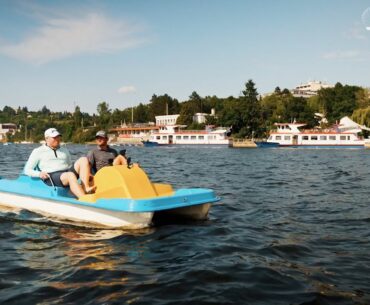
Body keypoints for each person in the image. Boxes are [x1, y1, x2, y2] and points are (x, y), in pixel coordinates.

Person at [24, 128, 95, 198]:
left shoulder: (64, 150)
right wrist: (39, 174)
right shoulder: (38, 151)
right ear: (47, 139)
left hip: (66, 173)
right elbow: (27, 170)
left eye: (58, 137)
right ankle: (84, 198)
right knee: (70, 175)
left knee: (83, 159)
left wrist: (84, 173)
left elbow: (69, 165)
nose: (57, 139)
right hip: (51, 176)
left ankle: (85, 187)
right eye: (54, 137)